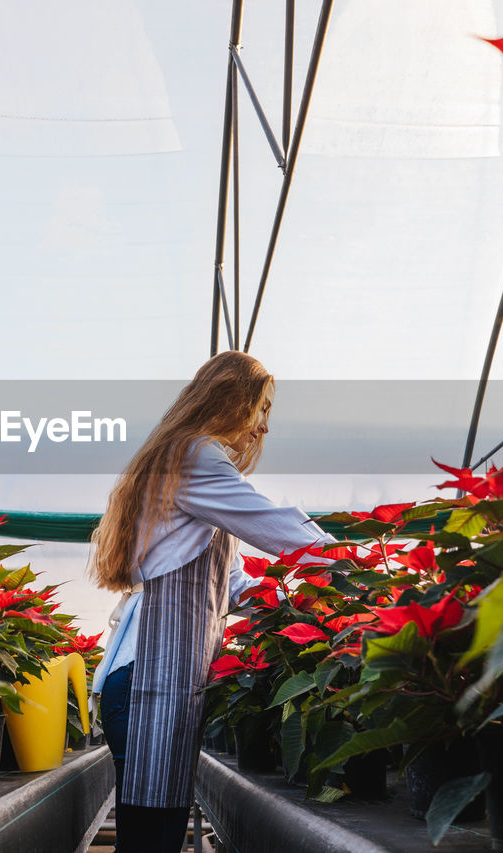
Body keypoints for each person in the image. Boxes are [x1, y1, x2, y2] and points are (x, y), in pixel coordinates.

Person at [89, 351, 338, 853]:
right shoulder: (195, 455)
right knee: (150, 842)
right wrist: (359, 571)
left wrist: (287, 603)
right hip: (149, 683)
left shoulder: (183, 463)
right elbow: (277, 527)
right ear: (230, 401)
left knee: (152, 839)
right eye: (260, 408)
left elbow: (237, 584)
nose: (263, 427)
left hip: (152, 679)